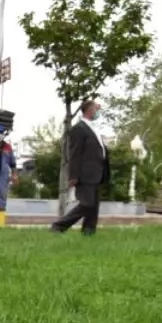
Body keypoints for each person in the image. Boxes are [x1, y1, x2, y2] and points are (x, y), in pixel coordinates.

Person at [50, 99, 111, 235]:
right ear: (90, 110)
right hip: (85, 174)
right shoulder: (79, 129)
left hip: (97, 173)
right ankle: (58, 226)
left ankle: (88, 232)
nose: (98, 111)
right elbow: (75, 153)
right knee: (86, 204)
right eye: (96, 109)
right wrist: (73, 175)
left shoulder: (93, 129)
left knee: (93, 206)